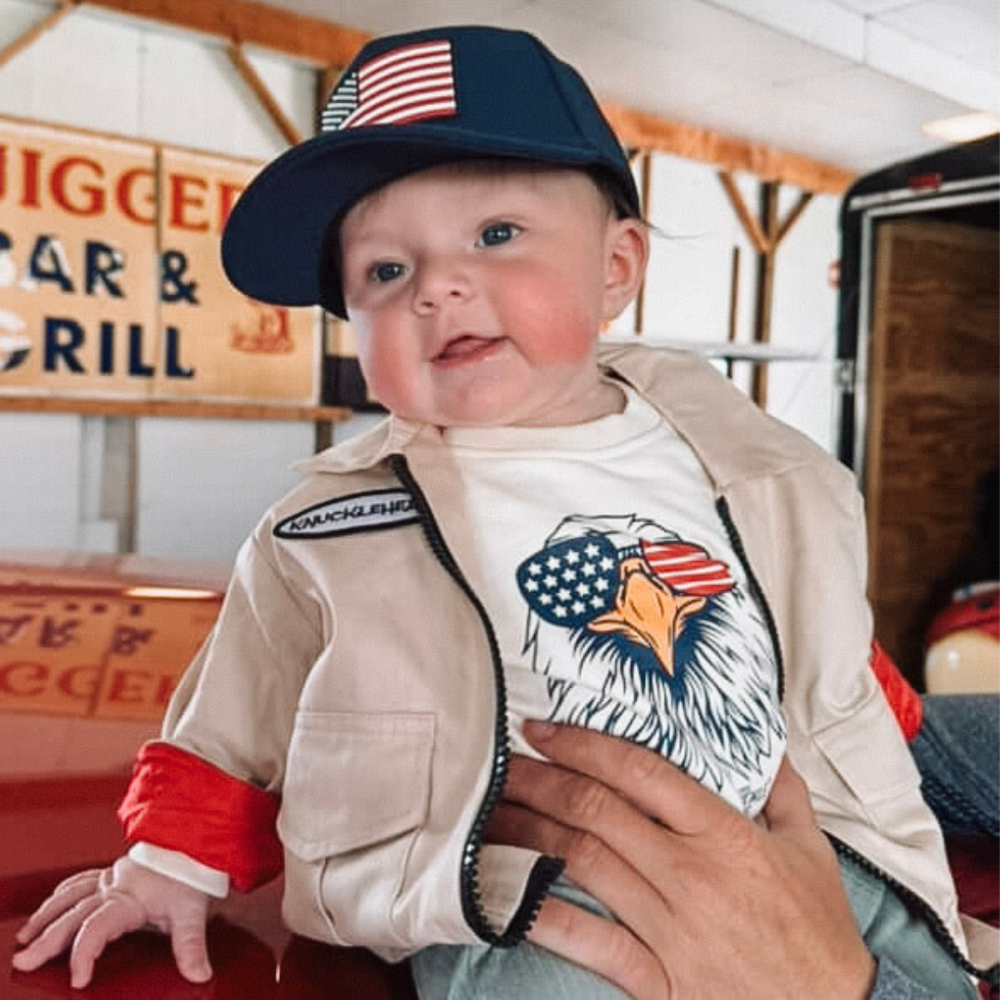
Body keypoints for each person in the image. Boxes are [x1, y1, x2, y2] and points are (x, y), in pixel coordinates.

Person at [11, 24, 994, 1000]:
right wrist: (167, 863)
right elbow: (237, 702)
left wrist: (877, 722)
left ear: (616, 267)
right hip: (523, 896)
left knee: (928, 951)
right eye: (385, 271)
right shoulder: (327, 527)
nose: (438, 285)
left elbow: (801, 619)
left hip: (797, 847)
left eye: (495, 235)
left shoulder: (737, 453)